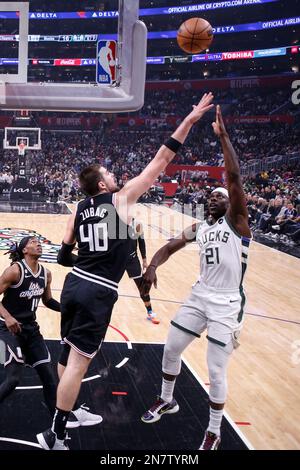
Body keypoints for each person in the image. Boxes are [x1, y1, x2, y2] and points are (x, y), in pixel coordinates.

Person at [36, 92, 215, 450]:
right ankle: (56, 432)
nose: (115, 174)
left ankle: (67, 413)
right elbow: (163, 157)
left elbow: (65, 256)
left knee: (66, 354)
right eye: (109, 173)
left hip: (75, 285)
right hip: (98, 289)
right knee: (78, 365)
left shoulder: (77, 209)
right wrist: (190, 120)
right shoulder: (120, 199)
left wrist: (94, 255)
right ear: (102, 184)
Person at [140, 106, 251, 451]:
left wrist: (224, 138)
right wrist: (153, 266)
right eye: (210, 196)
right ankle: (167, 399)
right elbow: (170, 247)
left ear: (229, 203)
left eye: (218, 196)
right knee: (171, 348)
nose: (213, 197)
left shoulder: (238, 224)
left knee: (216, 371)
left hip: (226, 303)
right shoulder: (200, 228)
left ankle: (214, 432)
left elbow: (233, 180)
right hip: (200, 296)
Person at [0, 237, 59, 416]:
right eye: (33, 242)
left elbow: (47, 301)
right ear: (24, 250)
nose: (38, 244)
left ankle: (57, 431)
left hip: (31, 330)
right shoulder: (15, 271)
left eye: (39, 241)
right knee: (13, 379)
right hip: (6, 329)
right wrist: (8, 317)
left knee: (49, 378)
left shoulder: (46, 274)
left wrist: (69, 309)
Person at [126, 219, 159, 324]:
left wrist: (144, 260)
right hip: (117, 259)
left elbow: (141, 242)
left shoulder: (137, 224)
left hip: (132, 259)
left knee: (143, 286)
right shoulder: (114, 221)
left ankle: (150, 313)